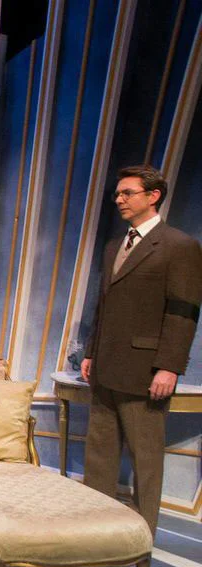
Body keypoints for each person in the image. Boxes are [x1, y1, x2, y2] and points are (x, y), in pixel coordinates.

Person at [80, 165, 201, 536]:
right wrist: (90, 352)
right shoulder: (114, 246)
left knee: (145, 456)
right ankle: (94, 527)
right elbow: (104, 305)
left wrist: (169, 367)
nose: (119, 199)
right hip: (106, 366)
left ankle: (141, 531)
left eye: (127, 193)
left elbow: (182, 312)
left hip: (146, 371)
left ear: (153, 196)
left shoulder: (179, 246)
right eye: (118, 194)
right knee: (99, 453)